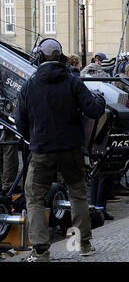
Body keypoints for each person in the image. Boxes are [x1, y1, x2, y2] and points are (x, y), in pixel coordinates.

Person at [15, 38, 105, 262]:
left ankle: (41, 251)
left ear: (39, 58)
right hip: (70, 148)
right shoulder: (72, 81)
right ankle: (82, 244)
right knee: (77, 194)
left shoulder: (29, 85)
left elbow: (20, 123)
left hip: (42, 149)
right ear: (60, 56)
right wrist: (101, 100)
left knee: (34, 198)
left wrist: (34, 139)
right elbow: (94, 110)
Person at [0, 129, 19, 195]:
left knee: (7, 153)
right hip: (8, 124)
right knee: (10, 155)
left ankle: (6, 184)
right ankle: (8, 184)